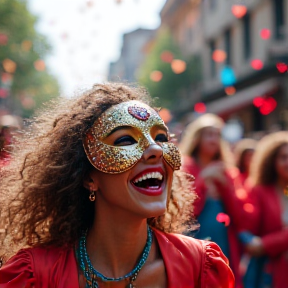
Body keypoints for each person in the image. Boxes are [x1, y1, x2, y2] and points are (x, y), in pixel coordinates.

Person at [0, 83, 234, 288]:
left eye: (161, 138)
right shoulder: (34, 276)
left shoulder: (200, 268)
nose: (155, 149)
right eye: (125, 140)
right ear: (88, 178)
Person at [179, 113, 244, 288]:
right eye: (209, 134)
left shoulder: (226, 170)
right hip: (193, 241)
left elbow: (239, 216)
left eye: (217, 135)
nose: (214, 139)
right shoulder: (185, 168)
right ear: (197, 138)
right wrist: (203, 181)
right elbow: (185, 213)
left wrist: (225, 187)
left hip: (223, 241)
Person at [239, 131, 288, 288]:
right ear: (272, 160)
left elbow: (261, 245)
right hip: (271, 274)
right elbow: (246, 231)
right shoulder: (260, 191)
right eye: (283, 157)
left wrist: (266, 244)